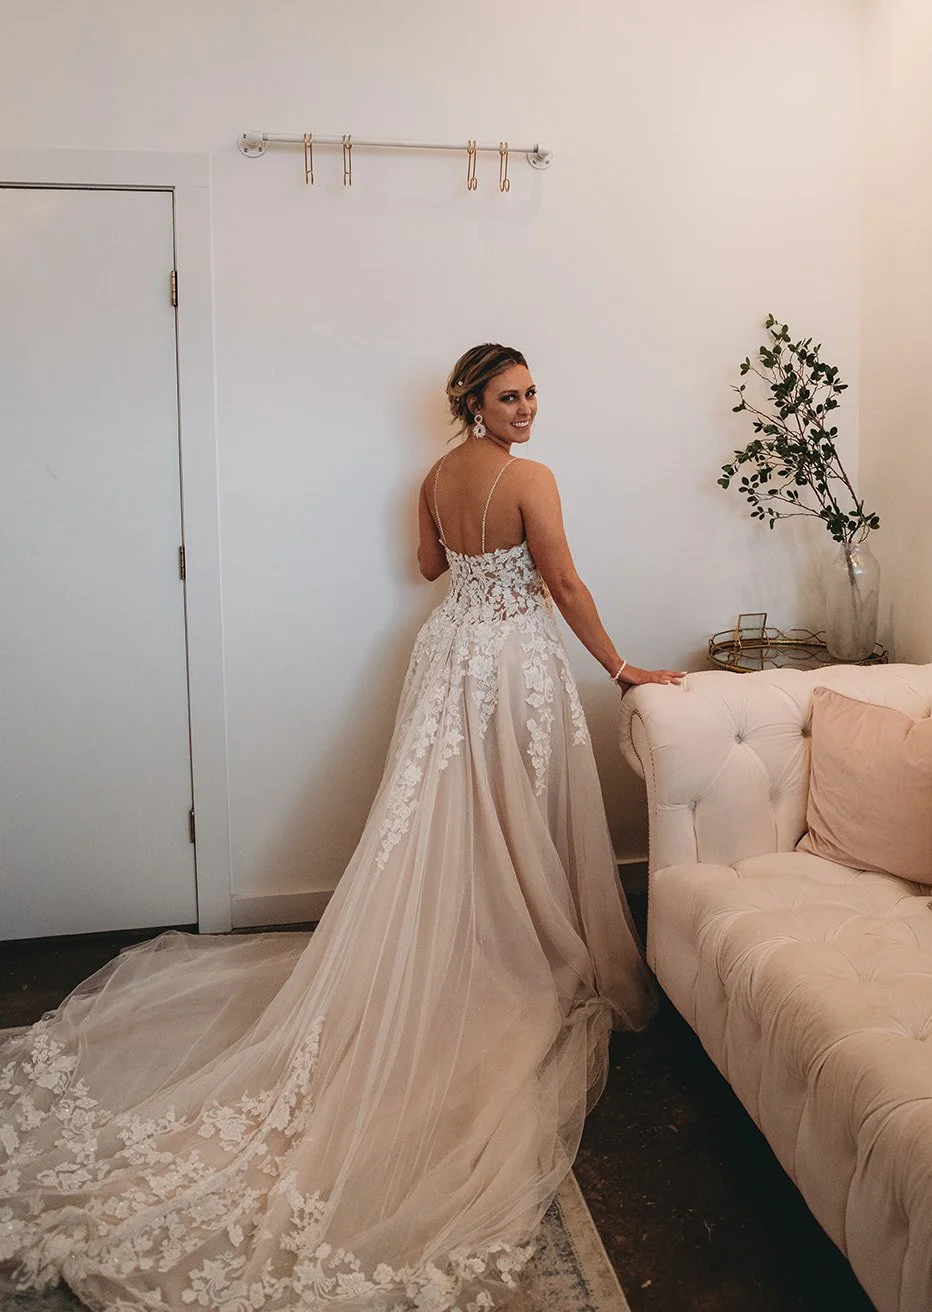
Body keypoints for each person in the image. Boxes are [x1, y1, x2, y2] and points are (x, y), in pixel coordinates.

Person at [0, 342, 685, 1312]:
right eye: (509, 397)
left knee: (448, 808)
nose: (528, 410)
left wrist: (477, 566)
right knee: (515, 801)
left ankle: (479, 928)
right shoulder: (531, 478)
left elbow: (427, 565)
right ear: (474, 403)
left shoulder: (436, 476)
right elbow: (565, 584)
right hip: (514, 656)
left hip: (448, 648)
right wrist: (619, 668)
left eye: (532, 395)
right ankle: (518, 932)